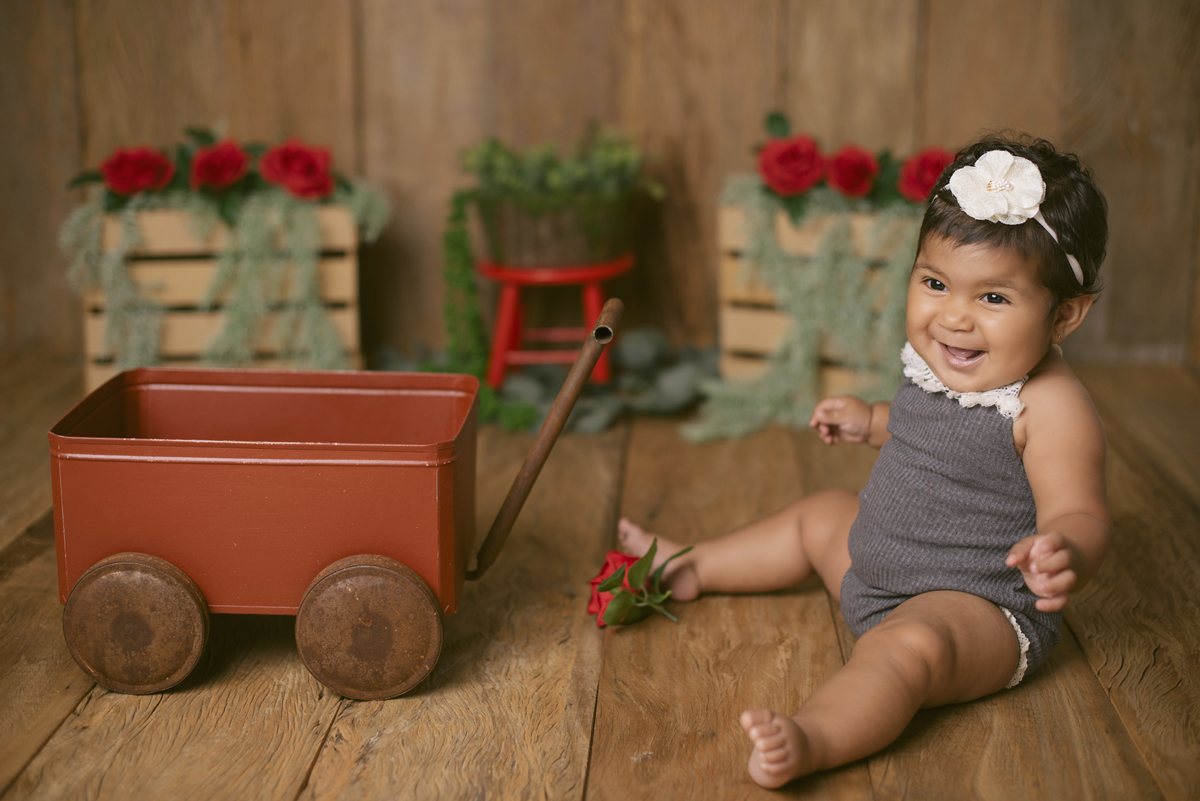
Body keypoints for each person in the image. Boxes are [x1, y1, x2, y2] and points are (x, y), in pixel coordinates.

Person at [618, 135, 1111, 788]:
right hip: (874, 574)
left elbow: (1081, 509)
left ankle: (813, 736)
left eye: (993, 298)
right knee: (820, 512)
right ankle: (692, 565)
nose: (955, 317)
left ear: (1065, 315)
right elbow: (922, 430)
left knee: (908, 650)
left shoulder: (1049, 407)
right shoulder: (943, 366)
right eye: (935, 283)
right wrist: (870, 419)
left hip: (975, 609)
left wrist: (1064, 548)